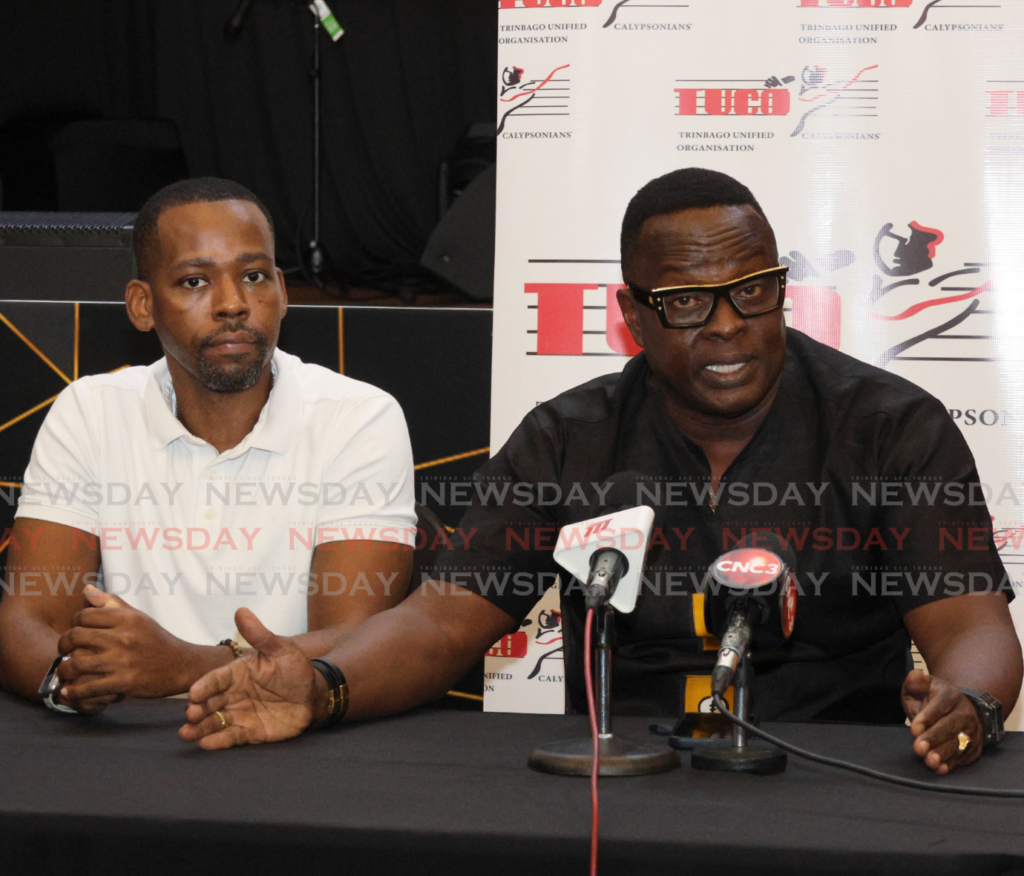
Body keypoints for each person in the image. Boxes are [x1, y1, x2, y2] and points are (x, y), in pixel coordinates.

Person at [180, 169, 1021, 776]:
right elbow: (441, 624)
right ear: (630, 316)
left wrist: (972, 707)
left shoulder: (890, 427)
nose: (728, 327)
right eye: (687, 302)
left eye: (753, 291)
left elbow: (972, 629)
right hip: (624, 780)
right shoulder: (569, 439)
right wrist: (324, 689)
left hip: (835, 773)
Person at [0, 177, 417, 716]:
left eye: (254, 276)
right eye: (195, 280)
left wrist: (182, 665)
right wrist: (73, 681)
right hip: (122, 738)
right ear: (142, 304)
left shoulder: (359, 416)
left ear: (283, 293)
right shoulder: (90, 410)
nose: (233, 304)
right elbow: (27, 620)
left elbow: (359, 640)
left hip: (296, 742)